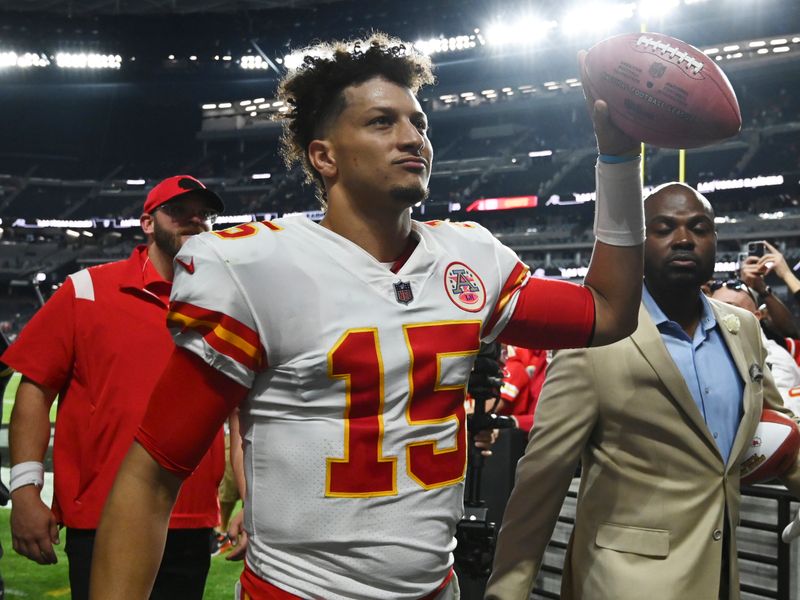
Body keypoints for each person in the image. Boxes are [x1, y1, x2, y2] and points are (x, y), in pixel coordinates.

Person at [90, 32, 646, 599]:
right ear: (324, 155)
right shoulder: (258, 267)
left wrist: (620, 156)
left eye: (419, 122)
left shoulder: (469, 258)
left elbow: (608, 311)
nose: (412, 138)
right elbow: (152, 476)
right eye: (382, 122)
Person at [486, 182, 800, 600]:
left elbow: (782, 434)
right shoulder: (593, 339)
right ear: (636, 242)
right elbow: (541, 482)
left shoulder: (742, 329)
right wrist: (507, 591)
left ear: (715, 241)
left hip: (722, 578)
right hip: (623, 584)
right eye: (664, 227)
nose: (684, 239)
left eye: (699, 227)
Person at [5, 175, 227, 600]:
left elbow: (240, 410)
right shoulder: (86, 291)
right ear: (148, 222)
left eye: (204, 215)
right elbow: (35, 388)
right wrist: (25, 490)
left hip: (192, 520)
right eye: (179, 212)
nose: (194, 221)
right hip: (103, 515)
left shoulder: (225, 301)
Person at [709, 278, 800, 394]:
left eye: (729, 307)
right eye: (712, 308)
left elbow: (780, 407)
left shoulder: (774, 359)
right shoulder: (694, 349)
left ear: (756, 316)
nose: (717, 315)